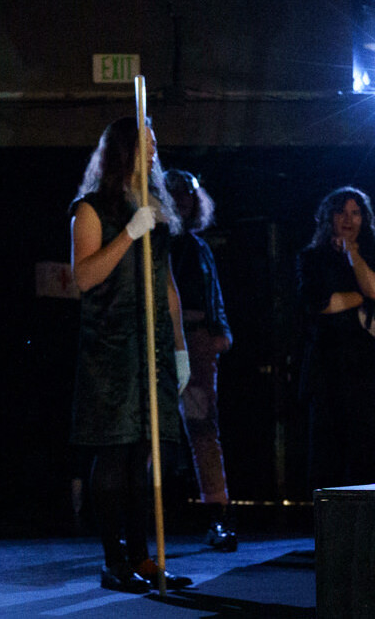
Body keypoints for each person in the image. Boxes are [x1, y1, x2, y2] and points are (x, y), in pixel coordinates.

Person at [69, 116, 193, 594]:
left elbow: (166, 285)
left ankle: (142, 556)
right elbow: (85, 277)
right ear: (123, 150)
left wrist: (179, 347)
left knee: (145, 452)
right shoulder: (91, 209)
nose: (155, 150)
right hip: (111, 349)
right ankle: (114, 560)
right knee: (115, 451)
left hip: (152, 347)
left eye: (156, 142)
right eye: (146, 143)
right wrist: (128, 235)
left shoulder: (156, 209)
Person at [298, 186, 375, 489]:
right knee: (328, 451)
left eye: (355, 213)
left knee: (370, 449)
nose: (348, 219)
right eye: (341, 212)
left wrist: (354, 255)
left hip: (369, 367)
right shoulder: (312, 257)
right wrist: (361, 297)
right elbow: (322, 303)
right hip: (328, 363)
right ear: (329, 216)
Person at [165, 170, 237, 551]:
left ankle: (219, 516)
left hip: (196, 341)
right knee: (151, 433)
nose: (182, 201)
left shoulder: (197, 246)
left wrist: (218, 332)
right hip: (160, 342)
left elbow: (213, 293)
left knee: (203, 429)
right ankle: (137, 519)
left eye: (187, 195)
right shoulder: (154, 241)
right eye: (174, 194)